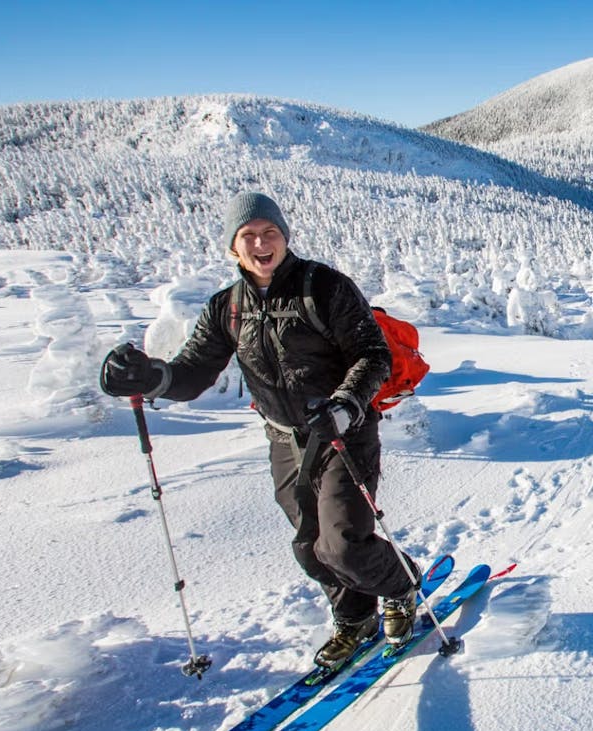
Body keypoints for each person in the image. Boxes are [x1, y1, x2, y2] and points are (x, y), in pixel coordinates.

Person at [99, 191, 419, 669]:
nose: (261, 243)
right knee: (311, 549)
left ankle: (401, 588)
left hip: (342, 433)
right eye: (248, 235)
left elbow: (372, 355)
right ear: (233, 247)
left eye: (270, 232)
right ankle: (355, 617)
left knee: (343, 544)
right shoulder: (226, 308)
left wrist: (345, 405)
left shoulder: (325, 287)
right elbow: (193, 373)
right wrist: (152, 378)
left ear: (285, 237)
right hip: (285, 440)